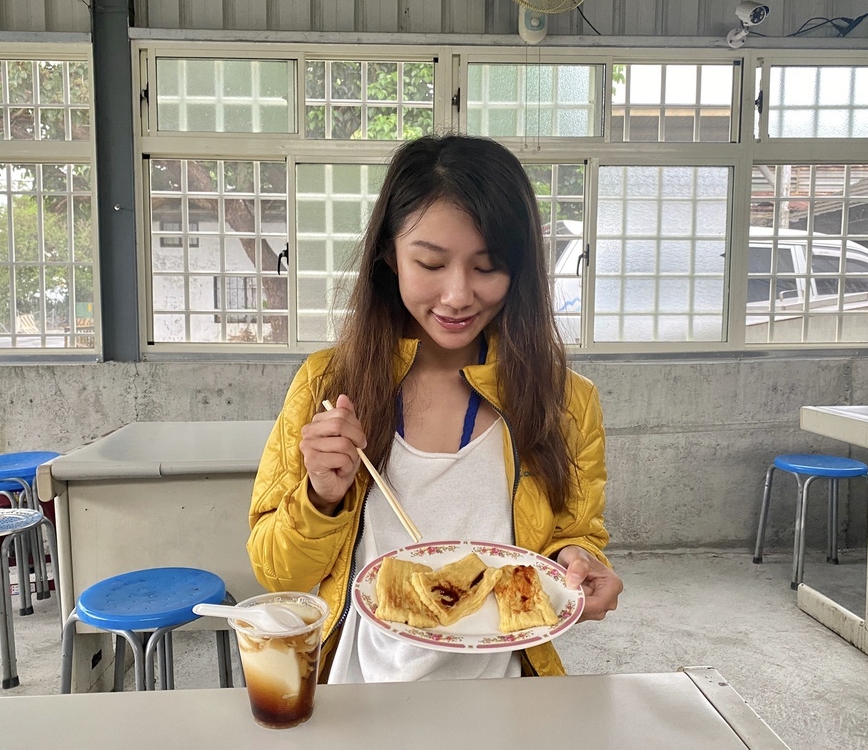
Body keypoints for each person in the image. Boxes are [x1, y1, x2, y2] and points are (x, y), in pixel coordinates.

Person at [248, 133, 621, 683]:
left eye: (487, 267)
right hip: (362, 688)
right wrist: (321, 496)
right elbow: (275, 570)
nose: (457, 295)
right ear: (389, 258)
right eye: (430, 263)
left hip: (505, 692)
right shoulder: (328, 385)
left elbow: (578, 532)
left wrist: (581, 563)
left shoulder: (566, 400)